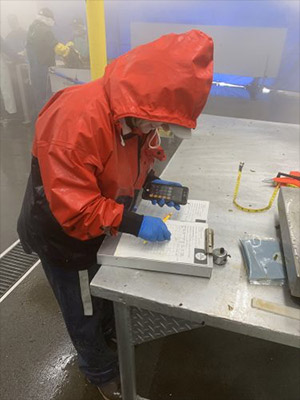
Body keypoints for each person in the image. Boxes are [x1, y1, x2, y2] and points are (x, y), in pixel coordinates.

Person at [17, 30, 213, 399]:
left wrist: (150, 183)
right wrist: (135, 222)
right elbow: (75, 206)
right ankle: (99, 370)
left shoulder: (136, 114)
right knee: (84, 310)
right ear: (141, 105)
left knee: (102, 294)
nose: (159, 132)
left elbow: (138, 154)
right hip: (65, 238)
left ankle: (107, 333)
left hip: (101, 223)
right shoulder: (75, 120)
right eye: (158, 123)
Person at [26, 8, 73, 119]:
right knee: (46, 96)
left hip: (34, 68)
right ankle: (48, 120)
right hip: (43, 67)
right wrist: (68, 49)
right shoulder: (45, 30)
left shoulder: (32, 28)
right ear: (48, 19)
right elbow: (57, 47)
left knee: (38, 95)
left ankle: (41, 119)